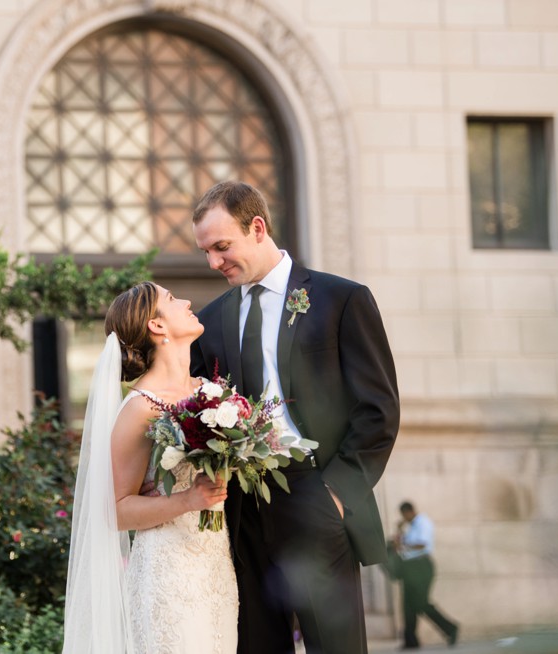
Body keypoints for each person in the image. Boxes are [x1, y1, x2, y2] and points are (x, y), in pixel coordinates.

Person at [189, 180, 400, 654]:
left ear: (257, 227)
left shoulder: (341, 299)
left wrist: (336, 494)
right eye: (205, 252)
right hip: (243, 513)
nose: (213, 263)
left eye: (222, 247)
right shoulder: (213, 320)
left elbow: (378, 409)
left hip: (316, 496)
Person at [62, 281, 239, 654]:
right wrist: (189, 499)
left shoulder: (212, 394)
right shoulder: (140, 408)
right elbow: (115, 510)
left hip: (216, 569)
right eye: (173, 300)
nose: (188, 301)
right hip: (167, 575)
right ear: (157, 326)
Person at [394, 501, 459, 649]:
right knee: (408, 605)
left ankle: (450, 628)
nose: (404, 518)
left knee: (420, 603)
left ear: (409, 512)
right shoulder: (411, 527)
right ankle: (410, 641)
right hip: (410, 567)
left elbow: (422, 544)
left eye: (404, 515)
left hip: (421, 566)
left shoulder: (423, 522)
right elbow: (403, 545)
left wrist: (403, 543)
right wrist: (399, 532)